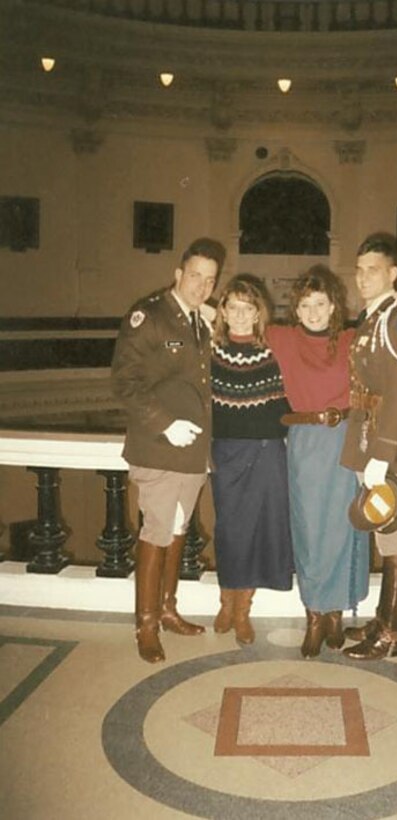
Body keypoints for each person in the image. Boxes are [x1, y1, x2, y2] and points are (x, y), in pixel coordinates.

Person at [111, 237, 226, 664]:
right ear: (178, 274)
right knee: (157, 531)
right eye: (194, 275)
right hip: (160, 447)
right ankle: (145, 625)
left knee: (178, 530)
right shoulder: (150, 317)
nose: (201, 285)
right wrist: (165, 423)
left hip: (193, 452)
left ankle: (167, 608)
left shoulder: (200, 321)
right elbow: (125, 383)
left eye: (210, 280)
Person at [266, 265, 370, 658]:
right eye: (306, 304)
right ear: (297, 308)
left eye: (320, 303)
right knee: (310, 531)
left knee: (344, 526)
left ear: (333, 306)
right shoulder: (283, 338)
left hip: (345, 438)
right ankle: (313, 615)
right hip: (307, 440)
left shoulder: (351, 339)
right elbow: (235, 316)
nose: (313, 311)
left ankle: (335, 616)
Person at [340, 231, 397, 661]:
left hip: (389, 449)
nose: (362, 278)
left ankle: (393, 634)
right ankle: (383, 619)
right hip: (370, 439)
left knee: (394, 537)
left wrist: (381, 453)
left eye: (371, 270)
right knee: (383, 533)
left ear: (392, 273)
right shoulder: (373, 316)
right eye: (358, 270)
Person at [210, 275, 294, 644]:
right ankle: (226, 600)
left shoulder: (275, 349)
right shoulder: (209, 353)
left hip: (268, 451)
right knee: (231, 531)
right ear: (223, 312)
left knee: (261, 530)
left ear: (259, 312)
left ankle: (243, 609)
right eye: (234, 308)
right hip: (227, 452)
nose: (241, 315)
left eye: (249, 308)